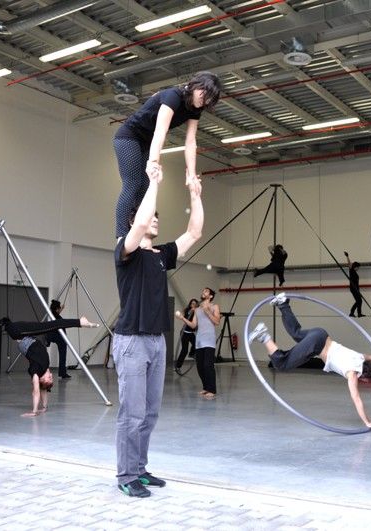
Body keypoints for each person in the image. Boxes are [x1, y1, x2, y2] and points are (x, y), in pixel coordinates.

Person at [112, 165, 204, 498]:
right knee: (132, 413)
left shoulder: (162, 255)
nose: (155, 219)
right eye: (150, 216)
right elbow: (138, 222)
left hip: (156, 341)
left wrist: (196, 196)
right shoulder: (127, 251)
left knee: (149, 413)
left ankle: (139, 469)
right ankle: (125, 474)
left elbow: (194, 233)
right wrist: (153, 183)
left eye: (156, 217)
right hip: (131, 341)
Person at [248, 294, 371, 432]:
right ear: (365, 377)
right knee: (283, 364)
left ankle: (283, 303)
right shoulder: (352, 374)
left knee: (297, 333)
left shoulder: (361, 358)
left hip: (321, 334)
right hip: (316, 345)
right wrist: (368, 422)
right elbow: (357, 399)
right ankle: (264, 336)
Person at [113, 71, 221, 237]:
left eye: (209, 99)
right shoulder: (173, 96)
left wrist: (191, 175)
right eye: (204, 94)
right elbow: (160, 131)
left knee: (145, 188)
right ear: (196, 86)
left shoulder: (194, 110)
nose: (204, 100)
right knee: (133, 183)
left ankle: (139, 236)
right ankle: (121, 235)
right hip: (129, 136)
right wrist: (154, 161)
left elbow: (191, 141)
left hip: (145, 142)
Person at [0, 316, 99, 417]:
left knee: (50, 325)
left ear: (41, 379)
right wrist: (44, 407)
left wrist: (34, 411)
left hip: (19, 333)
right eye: (52, 378)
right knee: (50, 326)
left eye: (49, 378)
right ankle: (80, 322)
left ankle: (80, 322)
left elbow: (36, 392)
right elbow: (44, 390)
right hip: (29, 337)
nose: (51, 376)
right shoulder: (45, 368)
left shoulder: (36, 372)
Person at [191, 287, 221, 399]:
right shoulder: (197, 309)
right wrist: (182, 318)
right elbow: (194, 325)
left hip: (209, 340)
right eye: (203, 290)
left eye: (206, 291)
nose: (203, 292)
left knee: (208, 365)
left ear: (211, 296)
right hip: (199, 340)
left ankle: (212, 390)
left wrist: (208, 311)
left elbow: (217, 321)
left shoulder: (215, 306)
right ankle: (206, 387)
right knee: (200, 366)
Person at [45, 299, 72, 379]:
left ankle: (62, 373)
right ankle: (62, 373)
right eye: (59, 308)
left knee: (62, 355)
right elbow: (58, 316)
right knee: (62, 355)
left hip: (54, 336)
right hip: (59, 337)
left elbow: (57, 314)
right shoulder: (57, 317)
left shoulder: (53, 314)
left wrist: (62, 309)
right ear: (57, 309)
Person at [173, 299, 198, 374]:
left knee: (196, 344)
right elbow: (183, 316)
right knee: (184, 350)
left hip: (191, 333)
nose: (193, 305)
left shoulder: (198, 312)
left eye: (195, 304)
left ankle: (191, 354)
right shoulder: (188, 310)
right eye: (192, 303)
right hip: (184, 333)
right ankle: (178, 366)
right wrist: (179, 315)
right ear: (190, 304)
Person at [344, 251, 364, 317]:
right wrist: (347, 256)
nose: (358, 269)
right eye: (358, 267)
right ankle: (354, 313)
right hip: (353, 289)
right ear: (355, 267)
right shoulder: (352, 270)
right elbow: (349, 264)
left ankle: (356, 313)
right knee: (359, 301)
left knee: (359, 301)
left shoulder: (354, 272)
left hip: (356, 289)